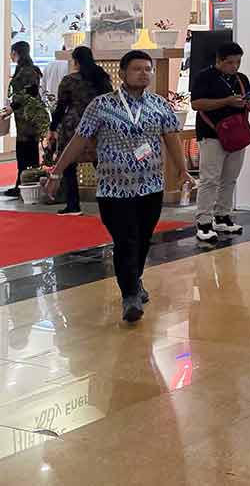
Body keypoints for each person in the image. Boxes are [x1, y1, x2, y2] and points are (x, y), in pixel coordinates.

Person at [46, 51, 194, 324]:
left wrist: (182, 170)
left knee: (143, 239)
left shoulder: (159, 105)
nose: (143, 73)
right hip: (114, 189)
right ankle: (130, 296)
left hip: (150, 186)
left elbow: (172, 138)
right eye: (137, 69)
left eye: (147, 69)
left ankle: (134, 280)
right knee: (126, 240)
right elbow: (79, 140)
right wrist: (56, 171)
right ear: (123, 73)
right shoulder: (101, 105)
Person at [189, 41, 250, 245]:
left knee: (230, 178)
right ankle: (204, 222)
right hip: (211, 134)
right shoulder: (204, 77)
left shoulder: (241, 79)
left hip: (237, 134)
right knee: (210, 179)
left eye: (238, 62)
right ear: (219, 61)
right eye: (230, 62)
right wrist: (227, 101)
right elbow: (196, 104)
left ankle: (222, 216)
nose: (234, 66)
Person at [46, 47, 112, 215]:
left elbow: (61, 107)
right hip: (99, 125)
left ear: (75, 61)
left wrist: (52, 128)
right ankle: (112, 201)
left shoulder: (70, 80)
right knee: (101, 165)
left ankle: (73, 205)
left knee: (69, 165)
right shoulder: (102, 78)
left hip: (74, 125)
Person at [5, 42, 46, 197]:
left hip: (28, 119)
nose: (11, 55)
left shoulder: (27, 70)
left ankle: (25, 185)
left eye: (12, 52)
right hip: (25, 119)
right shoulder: (26, 69)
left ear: (16, 52)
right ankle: (24, 184)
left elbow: (31, 92)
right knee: (27, 151)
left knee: (26, 152)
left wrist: (13, 106)